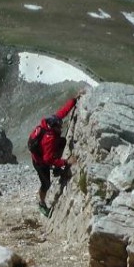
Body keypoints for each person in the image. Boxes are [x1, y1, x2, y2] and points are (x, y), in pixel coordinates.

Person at [31, 89, 86, 217]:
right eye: (59, 127)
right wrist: (66, 162)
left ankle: (57, 169)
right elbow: (47, 159)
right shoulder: (48, 139)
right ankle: (42, 203)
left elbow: (63, 112)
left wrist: (74, 99)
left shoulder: (51, 123)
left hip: (43, 155)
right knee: (46, 184)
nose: (61, 128)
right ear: (54, 127)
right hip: (40, 162)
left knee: (61, 141)